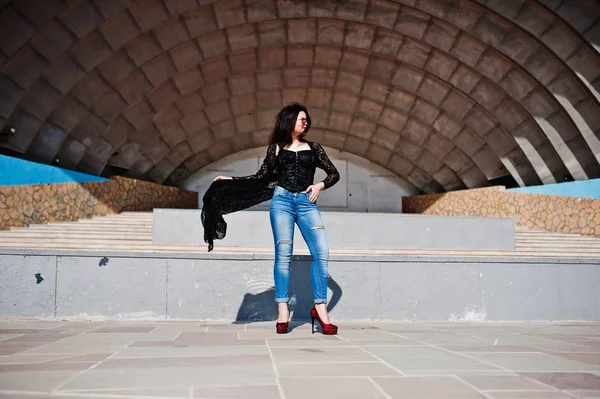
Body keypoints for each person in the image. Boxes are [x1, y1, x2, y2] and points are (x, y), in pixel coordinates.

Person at [203, 103, 340, 335]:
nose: (305, 122)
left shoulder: (314, 148)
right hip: (282, 202)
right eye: (300, 119)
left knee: (322, 253)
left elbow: (333, 173)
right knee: (283, 255)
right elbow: (261, 177)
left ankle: (319, 307)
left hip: (307, 203)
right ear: (289, 121)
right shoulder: (276, 148)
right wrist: (231, 180)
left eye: (306, 119)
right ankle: (283, 309)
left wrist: (320, 185)